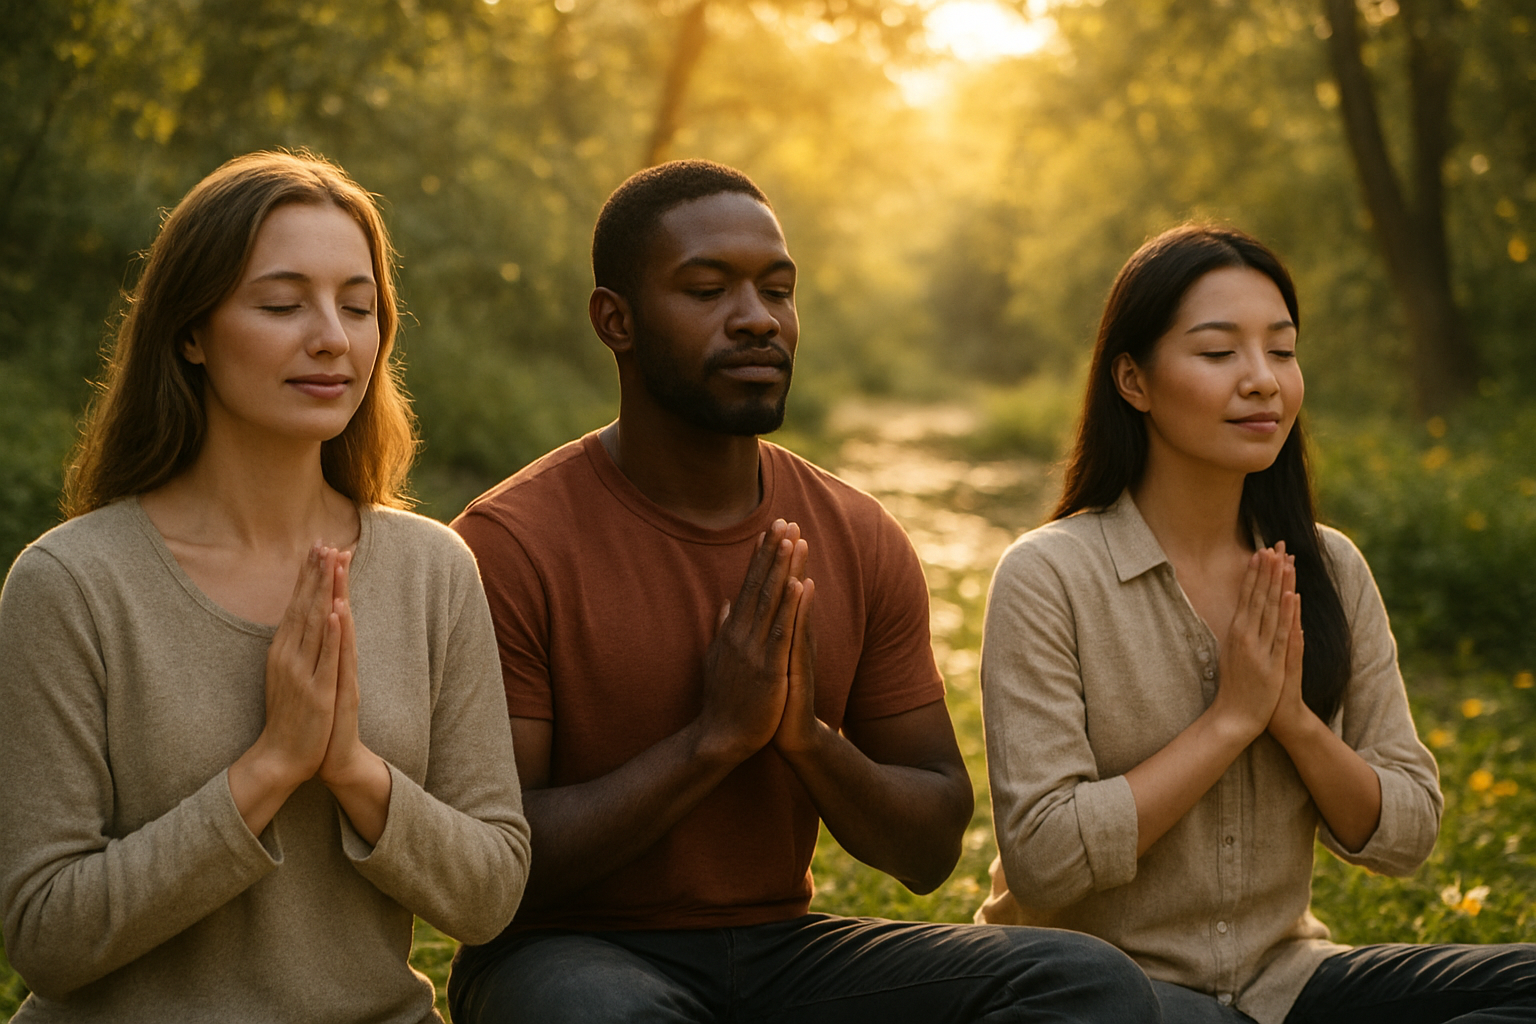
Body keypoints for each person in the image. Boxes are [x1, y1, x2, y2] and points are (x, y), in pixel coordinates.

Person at [447, 159, 1160, 1023]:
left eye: (777, 291)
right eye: (708, 290)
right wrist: (711, 741)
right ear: (616, 322)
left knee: (1085, 982)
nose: (758, 320)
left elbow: (932, 841)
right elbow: (496, 863)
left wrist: (808, 740)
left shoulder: (856, 535)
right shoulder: (509, 545)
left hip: (784, 955)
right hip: (566, 957)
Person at [0, 151, 531, 1023]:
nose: (331, 336)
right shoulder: (72, 585)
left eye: (358, 307)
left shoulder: (435, 571)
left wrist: (355, 771)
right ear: (191, 332)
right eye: (283, 304)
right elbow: (47, 935)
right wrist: (270, 769)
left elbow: (489, 893)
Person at [975, 224, 1536, 1024]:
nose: (1263, 381)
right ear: (1132, 380)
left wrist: (1295, 723)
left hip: (1287, 984)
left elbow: (1406, 831)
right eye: (1218, 353)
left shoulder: (1331, 568)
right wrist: (1230, 721)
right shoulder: (1051, 575)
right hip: (1110, 994)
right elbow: (1044, 860)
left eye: (1281, 350)